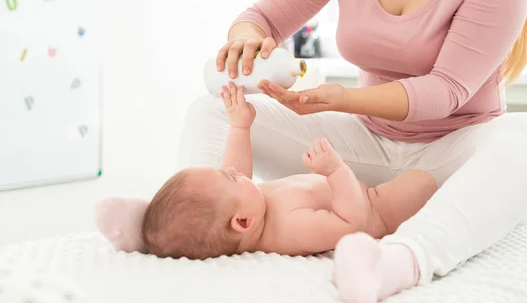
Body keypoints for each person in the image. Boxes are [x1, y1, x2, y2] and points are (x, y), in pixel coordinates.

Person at [177, 0, 527, 303]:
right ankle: (184, 227)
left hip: (455, 159)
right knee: (211, 110)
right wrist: (246, 40)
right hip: (361, 155)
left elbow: (447, 90)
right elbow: (261, 19)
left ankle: (400, 261)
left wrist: (346, 99)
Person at [140, 83, 437, 261]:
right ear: (242, 222)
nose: (233, 171)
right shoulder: (290, 229)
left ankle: (146, 222)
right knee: (426, 182)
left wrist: (240, 126)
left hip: (358, 191)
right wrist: (335, 171)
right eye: (230, 178)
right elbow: (352, 223)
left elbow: (237, 168)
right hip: (376, 207)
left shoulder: (251, 207)